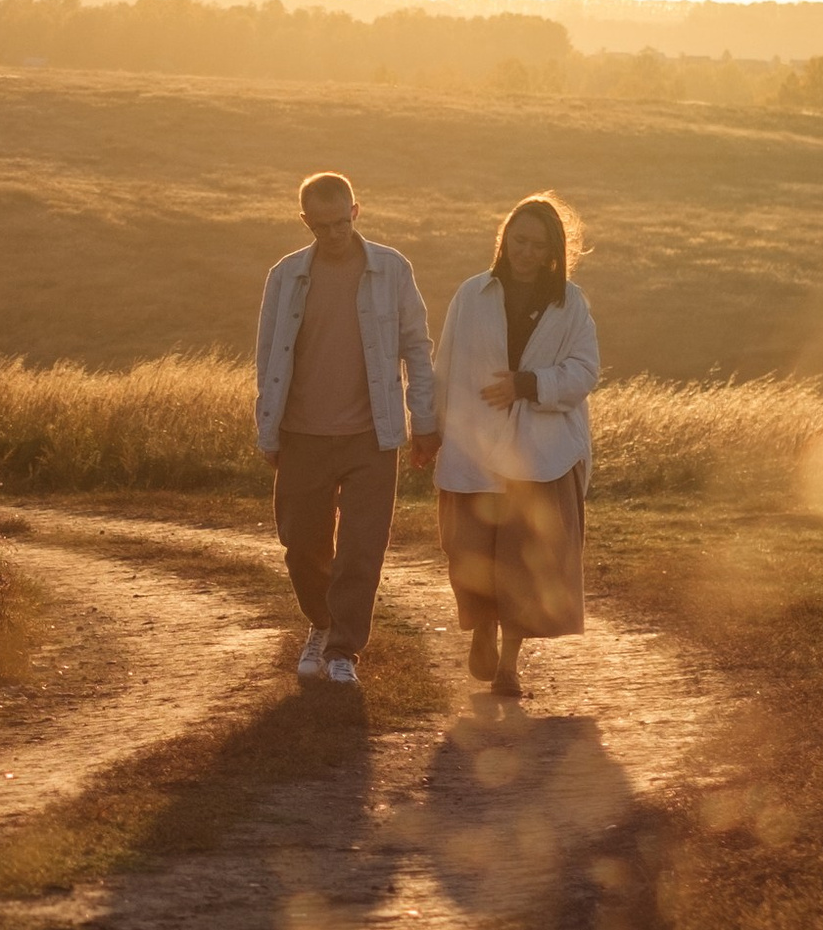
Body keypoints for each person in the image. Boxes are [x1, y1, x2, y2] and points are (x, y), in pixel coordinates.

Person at [253, 172, 437, 689]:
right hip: (302, 432)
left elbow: (417, 349)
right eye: (322, 225)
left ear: (356, 211)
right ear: (305, 220)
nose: (334, 234)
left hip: (371, 433)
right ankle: (323, 621)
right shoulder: (285, 275)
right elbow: (268, 356)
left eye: (343, 222)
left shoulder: (391, 269)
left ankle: (342, 650)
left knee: (362, 545)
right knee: (301, 544)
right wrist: (268, 429)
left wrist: (424, 421)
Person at [431, 194, 600, 701]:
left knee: (525, 565)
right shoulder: (472, 295)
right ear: (504, 238)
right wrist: (428, 433)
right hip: (476, 448)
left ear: (554, 250)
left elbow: (585, 372)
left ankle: (509, 667)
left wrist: (528, 384)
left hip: (540, 456)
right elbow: (446, 368)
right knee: (473, 551)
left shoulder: (570, 303)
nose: (524, 252)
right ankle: (482, 627)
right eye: (517, 240)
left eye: (537, 244)